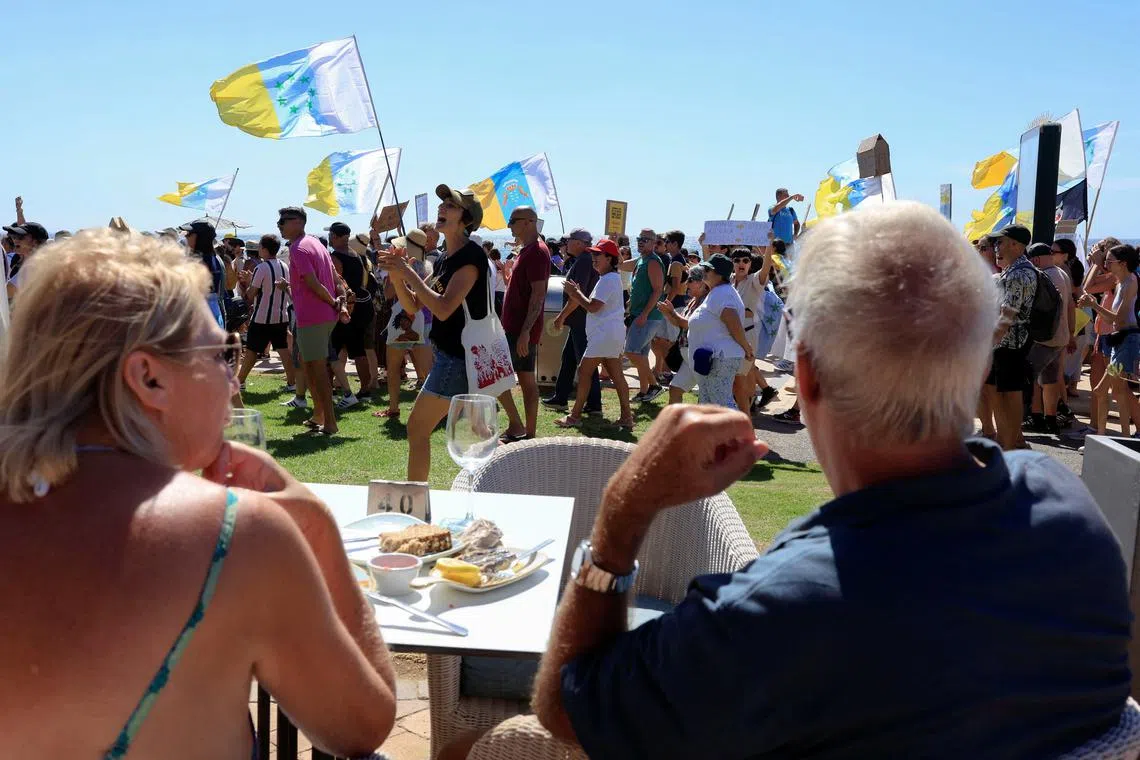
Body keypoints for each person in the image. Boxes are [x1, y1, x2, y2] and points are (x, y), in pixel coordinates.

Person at [531, 202, 1131, 759]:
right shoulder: (1064, 501)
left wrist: (621, 508)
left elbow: (562, 708)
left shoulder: (780, 612)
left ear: (808, 374)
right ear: (976, 359)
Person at [0, 228, 397, 758]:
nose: (233, 383)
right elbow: (361, 725)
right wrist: (315, 526)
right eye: (219, 355)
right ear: (149, 378)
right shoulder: (239, 535)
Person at [378, 185, 489, 482]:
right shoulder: (444, 258)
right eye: (442, 205)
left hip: (456, 358)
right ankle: (506, 478)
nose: (442, 209)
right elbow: (413, 306)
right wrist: (397, 274)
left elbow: (442, 309)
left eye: (450, 206)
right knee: (480, 434)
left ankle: (416, 498)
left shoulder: (470, 257)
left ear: (466, 219)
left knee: (417, 428)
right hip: (451, 356)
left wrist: (409, 273)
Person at [279, 206, 348, 436]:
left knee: (317, 371)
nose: (279, 224)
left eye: (284, 220)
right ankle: (319, 414)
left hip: (314, 316)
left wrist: (333, 301)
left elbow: (313, 283)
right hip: (321, 315)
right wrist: (339, 302)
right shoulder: (316, 243)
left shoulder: (298, 248)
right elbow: (336, 278)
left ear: (298, 222)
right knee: (308, 365)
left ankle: (330, 422)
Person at [553, 242, 634, 430]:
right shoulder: (610, 278)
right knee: (616, 376)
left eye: (599, 254)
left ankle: (574, 416)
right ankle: (626, 418)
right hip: (610, 334)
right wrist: (577, 293)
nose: (594, 258)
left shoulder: (608, 279)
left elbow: (593, 307)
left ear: (610, 258)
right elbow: (595, 306)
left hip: (605, 334)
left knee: (584, 371)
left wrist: (575, 293)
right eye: (593, 254)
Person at [657, 254, 752, 409]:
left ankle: (738, 433)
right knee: (709, 403)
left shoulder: (723, 293)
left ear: (719, 273)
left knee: (721, 403)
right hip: (712, 358)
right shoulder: (717, 292)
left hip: (720, 358)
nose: (704, 271)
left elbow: (732, 319)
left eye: (708, 269)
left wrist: (746, 347)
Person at [498, 206, 551, 444]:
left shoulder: (537, 252)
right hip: (515, 328)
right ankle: (526, 431)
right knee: (522, 379)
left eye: (513, 221)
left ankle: (521, 428)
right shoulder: (527, 251)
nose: (509, 226)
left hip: (519, 330)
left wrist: (525, 332)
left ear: (529, 222)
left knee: (499, 378)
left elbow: (539, 295)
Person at [982, 224, 1036, 451]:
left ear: (1016, 244)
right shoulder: (1015, 271)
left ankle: (1010, 447)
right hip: (1005, 344)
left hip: (1011, 345)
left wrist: (987, 344)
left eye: (1000, 242)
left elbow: (1007, 315)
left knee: (1010, 396)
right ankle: (1008, 444)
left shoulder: (1018, 274)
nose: (996, 247)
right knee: (1000, 395)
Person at [1078, 243, 1140, 439]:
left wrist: (1093, 305)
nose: (1106, 264)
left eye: (1109, 261)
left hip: (1127, 341)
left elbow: (1117, 318)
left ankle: (1109, 437)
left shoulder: (1130, 283)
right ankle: (1119, 438)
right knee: (1118, 392)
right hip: (1119, 341)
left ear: (1122, 263)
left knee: (1102, 389)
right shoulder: (1120, 281)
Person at [372, 228, 434, 422]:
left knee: (393, 367)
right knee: (428, 372)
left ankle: (393, 408)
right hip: (426, 320)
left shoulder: (401, 266)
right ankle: (438, 410)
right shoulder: (428, 266)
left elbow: (390, 293)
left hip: (402, 318)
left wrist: (392, 275)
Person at [546, 228, 602, 414]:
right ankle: (560, 398)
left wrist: (561, 317)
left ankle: (594, 404)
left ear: (579, 242)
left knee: (586, 364)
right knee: (569, 359)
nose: (566, 243)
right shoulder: (582, 260)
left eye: (568, 240)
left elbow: (577, 295)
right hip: (579, 321)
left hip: (582, 322)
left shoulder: (585, 261)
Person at [1025, 242, 1075, 437]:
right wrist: (1070, 334)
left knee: (1034, 380)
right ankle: (1051, 420)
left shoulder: (1043, 276)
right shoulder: (1062, 273)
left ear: (1036, 259)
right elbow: (1070, 305)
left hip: (1045, 338)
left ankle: (1036, 418)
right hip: (1060, 337)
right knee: (1051, 380)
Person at [236, 234, 296, 392]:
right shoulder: (284, 265)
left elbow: (251, 295)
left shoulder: (261, 268)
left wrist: (248, 282)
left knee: (251, 351)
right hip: (281, 315)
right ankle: (292, 383)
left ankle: (239, 382)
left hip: (262, 317)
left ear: (264, 249)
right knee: (283, 350)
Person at [328, 222, 376, 409]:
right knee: (358, 351)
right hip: (360, 307)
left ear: (339, 237)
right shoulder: (357, 255)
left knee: (332, 350)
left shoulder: (336, 257)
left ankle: (328, 386)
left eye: (332, 235)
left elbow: (336, 282)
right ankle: (364, 389)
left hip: (345, 308)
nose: (331, 238)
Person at [621, 228, 667, 402]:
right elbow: (621, 264)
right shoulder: (641, 259)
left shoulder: (653, 262)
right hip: (640, 314)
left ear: (654, 243)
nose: (641, 242)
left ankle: (654, 385)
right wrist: (615, 242)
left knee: (630, 352)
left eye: (646, 240)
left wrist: (645, 313)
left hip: (648, 316)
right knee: (640, 354)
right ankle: (644, 391)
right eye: (639, 238)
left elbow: (657, 290)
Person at [731, 247, 778, 413]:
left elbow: (765, 269)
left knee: (741, 376)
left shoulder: (754, 280)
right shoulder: (730, 281)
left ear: (750, 263)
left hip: (747, 334)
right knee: (743, 374)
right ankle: (749, 408)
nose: (741, 263)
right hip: (730, 335)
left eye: (745, 260)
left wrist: (768, 247)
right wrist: (704, 247)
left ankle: (746, 412)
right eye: (737, 260)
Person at [661, 265, 710, 404]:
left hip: (698, 355)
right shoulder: (694, 301)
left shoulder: (707, 302)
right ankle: (676, 423)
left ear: (703, 283)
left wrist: (672, 313)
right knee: (675, 388)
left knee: (706, 394)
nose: (686, 283)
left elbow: (688, 324)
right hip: (689, 357)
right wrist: (668, 313)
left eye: (690, 279)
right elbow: (679, 323)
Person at [2, 221, 49, 301]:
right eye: (14, 237)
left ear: (35, 242)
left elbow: (6, 292)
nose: (15, 240)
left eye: (20, 237)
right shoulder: (29, 262)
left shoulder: (35, 265)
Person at [768, 187, 804, 258]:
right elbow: (776, 208)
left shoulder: (790, 210)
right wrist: (791, 197)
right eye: (786, 195)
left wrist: (795, 234)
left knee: (789, 267)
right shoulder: (772, 208)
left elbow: (796, 223)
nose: (788, 196)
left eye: (788, 195)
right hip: (776, 246)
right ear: (778, 196)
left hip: (789, 246)